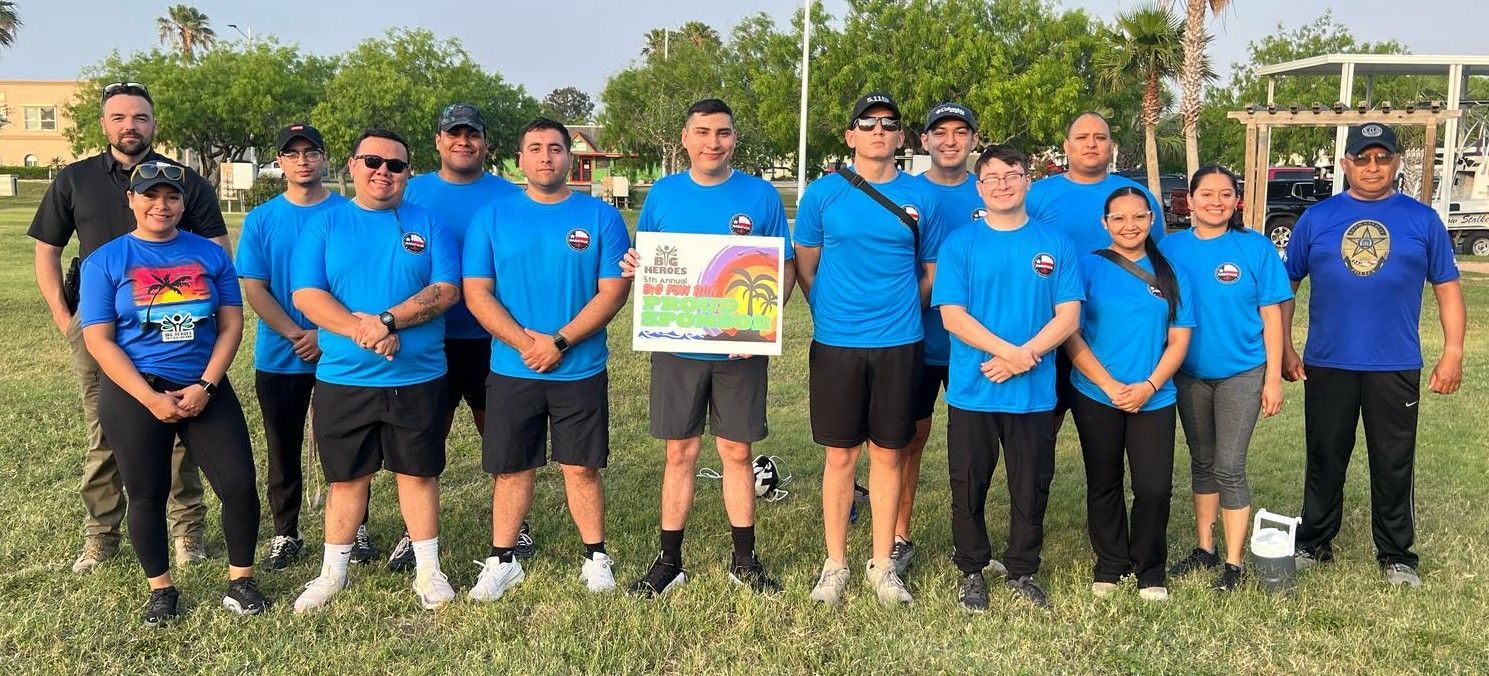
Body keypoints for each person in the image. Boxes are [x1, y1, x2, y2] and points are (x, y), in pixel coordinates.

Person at [30, 82, 219, 573]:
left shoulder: (183, 180)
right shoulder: (75, 179)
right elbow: (47, 248)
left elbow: (217, 248)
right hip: (100, 330)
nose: (129, 126)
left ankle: (188, 533)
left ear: (154, 124)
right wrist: (61, 314)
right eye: (119, 117)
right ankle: (102, 535)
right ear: (104, 124)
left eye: (139, 117)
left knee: (179, 427)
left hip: (173, 325)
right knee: (105, 429)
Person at [616, 99, 795, 596]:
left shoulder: (760, 196)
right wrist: (636, 265)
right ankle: (669, 560)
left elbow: (783, 266)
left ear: (734, 138)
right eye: (702, 132)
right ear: (685, 137)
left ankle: (744, 559)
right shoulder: (664, 194)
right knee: (680, 452)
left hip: (739, 350)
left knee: (737, 451)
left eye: (722, 133)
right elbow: (648, 260)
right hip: (677, 347)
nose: (712, 142)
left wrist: (757, 323)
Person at [80, 161, 266, 625]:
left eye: (172, 197)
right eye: (150, 195)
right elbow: (99, 339)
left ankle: (241, 580)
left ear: (184, 203)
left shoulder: (210, 254)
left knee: (240, 484)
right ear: (131, 200)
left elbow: (231, 323)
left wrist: (207, 384)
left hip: (205, 385)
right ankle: (161, 589)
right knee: (147, 493)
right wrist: (150, 398)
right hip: (136, 392)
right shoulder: (106, 260)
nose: (161, 205)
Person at [1282, 123, 1465, 587]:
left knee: (1393, 459)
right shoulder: (1317, 219)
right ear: (1345, 164)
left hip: (1395, 362)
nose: (1372, 167)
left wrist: (1454, 352)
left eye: (1382, 158)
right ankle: (1314, 542)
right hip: (1328, 360)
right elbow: (1287, 286)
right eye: (1362, 158)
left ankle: (1396, 554)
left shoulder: (1422, 220)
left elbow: (1447, 288)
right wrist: (1284, 346)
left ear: (1397, 162)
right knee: (1324, 454)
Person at [289, 129, 462, 612]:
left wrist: (388, 320)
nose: (383, 171)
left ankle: (429, 569)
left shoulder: (429, 223)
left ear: (409, 172)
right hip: (345, 377)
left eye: (396, 164)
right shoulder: (325, 225)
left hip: (417, 376)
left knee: (418, 473)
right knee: (346, 479)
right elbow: (307, 294)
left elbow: (447, 289)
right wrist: (359, 329)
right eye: (372, 161)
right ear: (352, 165)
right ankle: (332, 573)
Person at [461, 118, 630, 602]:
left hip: (580, 367)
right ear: (520, 157)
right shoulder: (492, 218)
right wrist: (524, 342)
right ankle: (502, 560)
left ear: (569, 157)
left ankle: (596, 557)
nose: (546, 157)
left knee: (581, 467)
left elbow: (613, 292)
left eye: (555, 148)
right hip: (513, 368)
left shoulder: (601, 218)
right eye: (534, 148)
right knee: (512, 468)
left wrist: (558, 341)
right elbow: (477, 292)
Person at [795, 92, 944, 605]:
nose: (879, 131)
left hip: (901, 343)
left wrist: (900, 306)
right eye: (868, 123)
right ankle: (834, 565)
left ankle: (883, 565)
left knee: (889, 454)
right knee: (840, 457)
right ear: (850, 135)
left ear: (902, 137)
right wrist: (834, 310)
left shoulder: (921, 197)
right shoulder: (822, 194)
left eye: (889, 124)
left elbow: (930, 271)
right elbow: (807, 266)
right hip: (836, 343)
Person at [933, 145, 1082, 611]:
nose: (1001, 184)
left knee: (1031, 483)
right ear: (980, 188)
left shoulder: (1055, 243)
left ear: (1027, 181)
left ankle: (1022, 569)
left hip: (1034, 393)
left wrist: (1027, 356)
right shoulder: (961, 243)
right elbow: (953, 317)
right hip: (974, 388)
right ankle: (972, 570)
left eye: (1011, 175)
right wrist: (1009, 354)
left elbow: (1070, 315)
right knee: (969, 482)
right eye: (991, 177)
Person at [394, 103, 533, 571]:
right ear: (437, 141)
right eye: (453, 134)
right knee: (423, 433)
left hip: (491, 335)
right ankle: (414, 532)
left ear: (485, 143)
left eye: (472, 134)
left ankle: (516, 524)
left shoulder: (508, 197)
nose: (463, 142)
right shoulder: (409, 193)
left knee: (499, 430)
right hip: (425, 337)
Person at [1160, 165, 1291, 591]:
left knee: (1229, 466)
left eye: (1225, 195)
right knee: (1201, 462)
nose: (1215, 202)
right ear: (1190, 200)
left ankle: (1233, 563)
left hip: (1242, 371)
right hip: (1189, 373)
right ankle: (1205, 547)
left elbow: (1272, 316)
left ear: (1237, 201)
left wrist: (1273, 379)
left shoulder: (1255, 248)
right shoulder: (1170, 247)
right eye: (1206, 194)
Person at [236, 123, 356, 572]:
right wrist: (295, 333)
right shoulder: (262, 219)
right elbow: (256, 287)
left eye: (311, 151)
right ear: (280, 162)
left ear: (325, 158)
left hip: (342, 352)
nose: (302, 160)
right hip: (281, 355)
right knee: (282, 447)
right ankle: (287, 532)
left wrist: (326, 334)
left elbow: (357, 285)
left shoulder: (350, 213)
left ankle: (355, 528)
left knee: (345, 445)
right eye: (292, 153)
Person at [1067, 186, 1193, 602]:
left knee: (1154, 486)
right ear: (1104, 224)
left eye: (1138, 217)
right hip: (1096, 392)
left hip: (1154, 395)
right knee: (1104, 481)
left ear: (1152, 220)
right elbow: (1071, 334)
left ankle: (1150, 568)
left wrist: (1149, 385)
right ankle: (1110, 562)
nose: (1129, 226)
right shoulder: (1086, 267)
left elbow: (1178, 340)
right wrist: (1107, 385)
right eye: (1118, 218)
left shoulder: (1172, 271)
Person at [1026, 112, 1166, 432]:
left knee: (1109, 424)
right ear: (1067, 146)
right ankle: (1038, 483)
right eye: (1082, 137)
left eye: (1100, 138)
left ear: (1111, 146)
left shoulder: (1135, 196)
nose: (1091, 144)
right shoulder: (1037, 196)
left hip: (1113, 330)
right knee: (1045, 422)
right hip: (1050, 324)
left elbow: (1159, 264)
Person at [894, 102, 984, 577]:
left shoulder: (993, 190)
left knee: (975, 447)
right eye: (940, 132)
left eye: (960, 132)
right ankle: (898, 536)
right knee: (908, 439)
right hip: (916, 340)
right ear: (923, 141)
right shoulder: (904, 193)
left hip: (978, 346)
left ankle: (973, 541)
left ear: (973, 139)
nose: (950, 140)